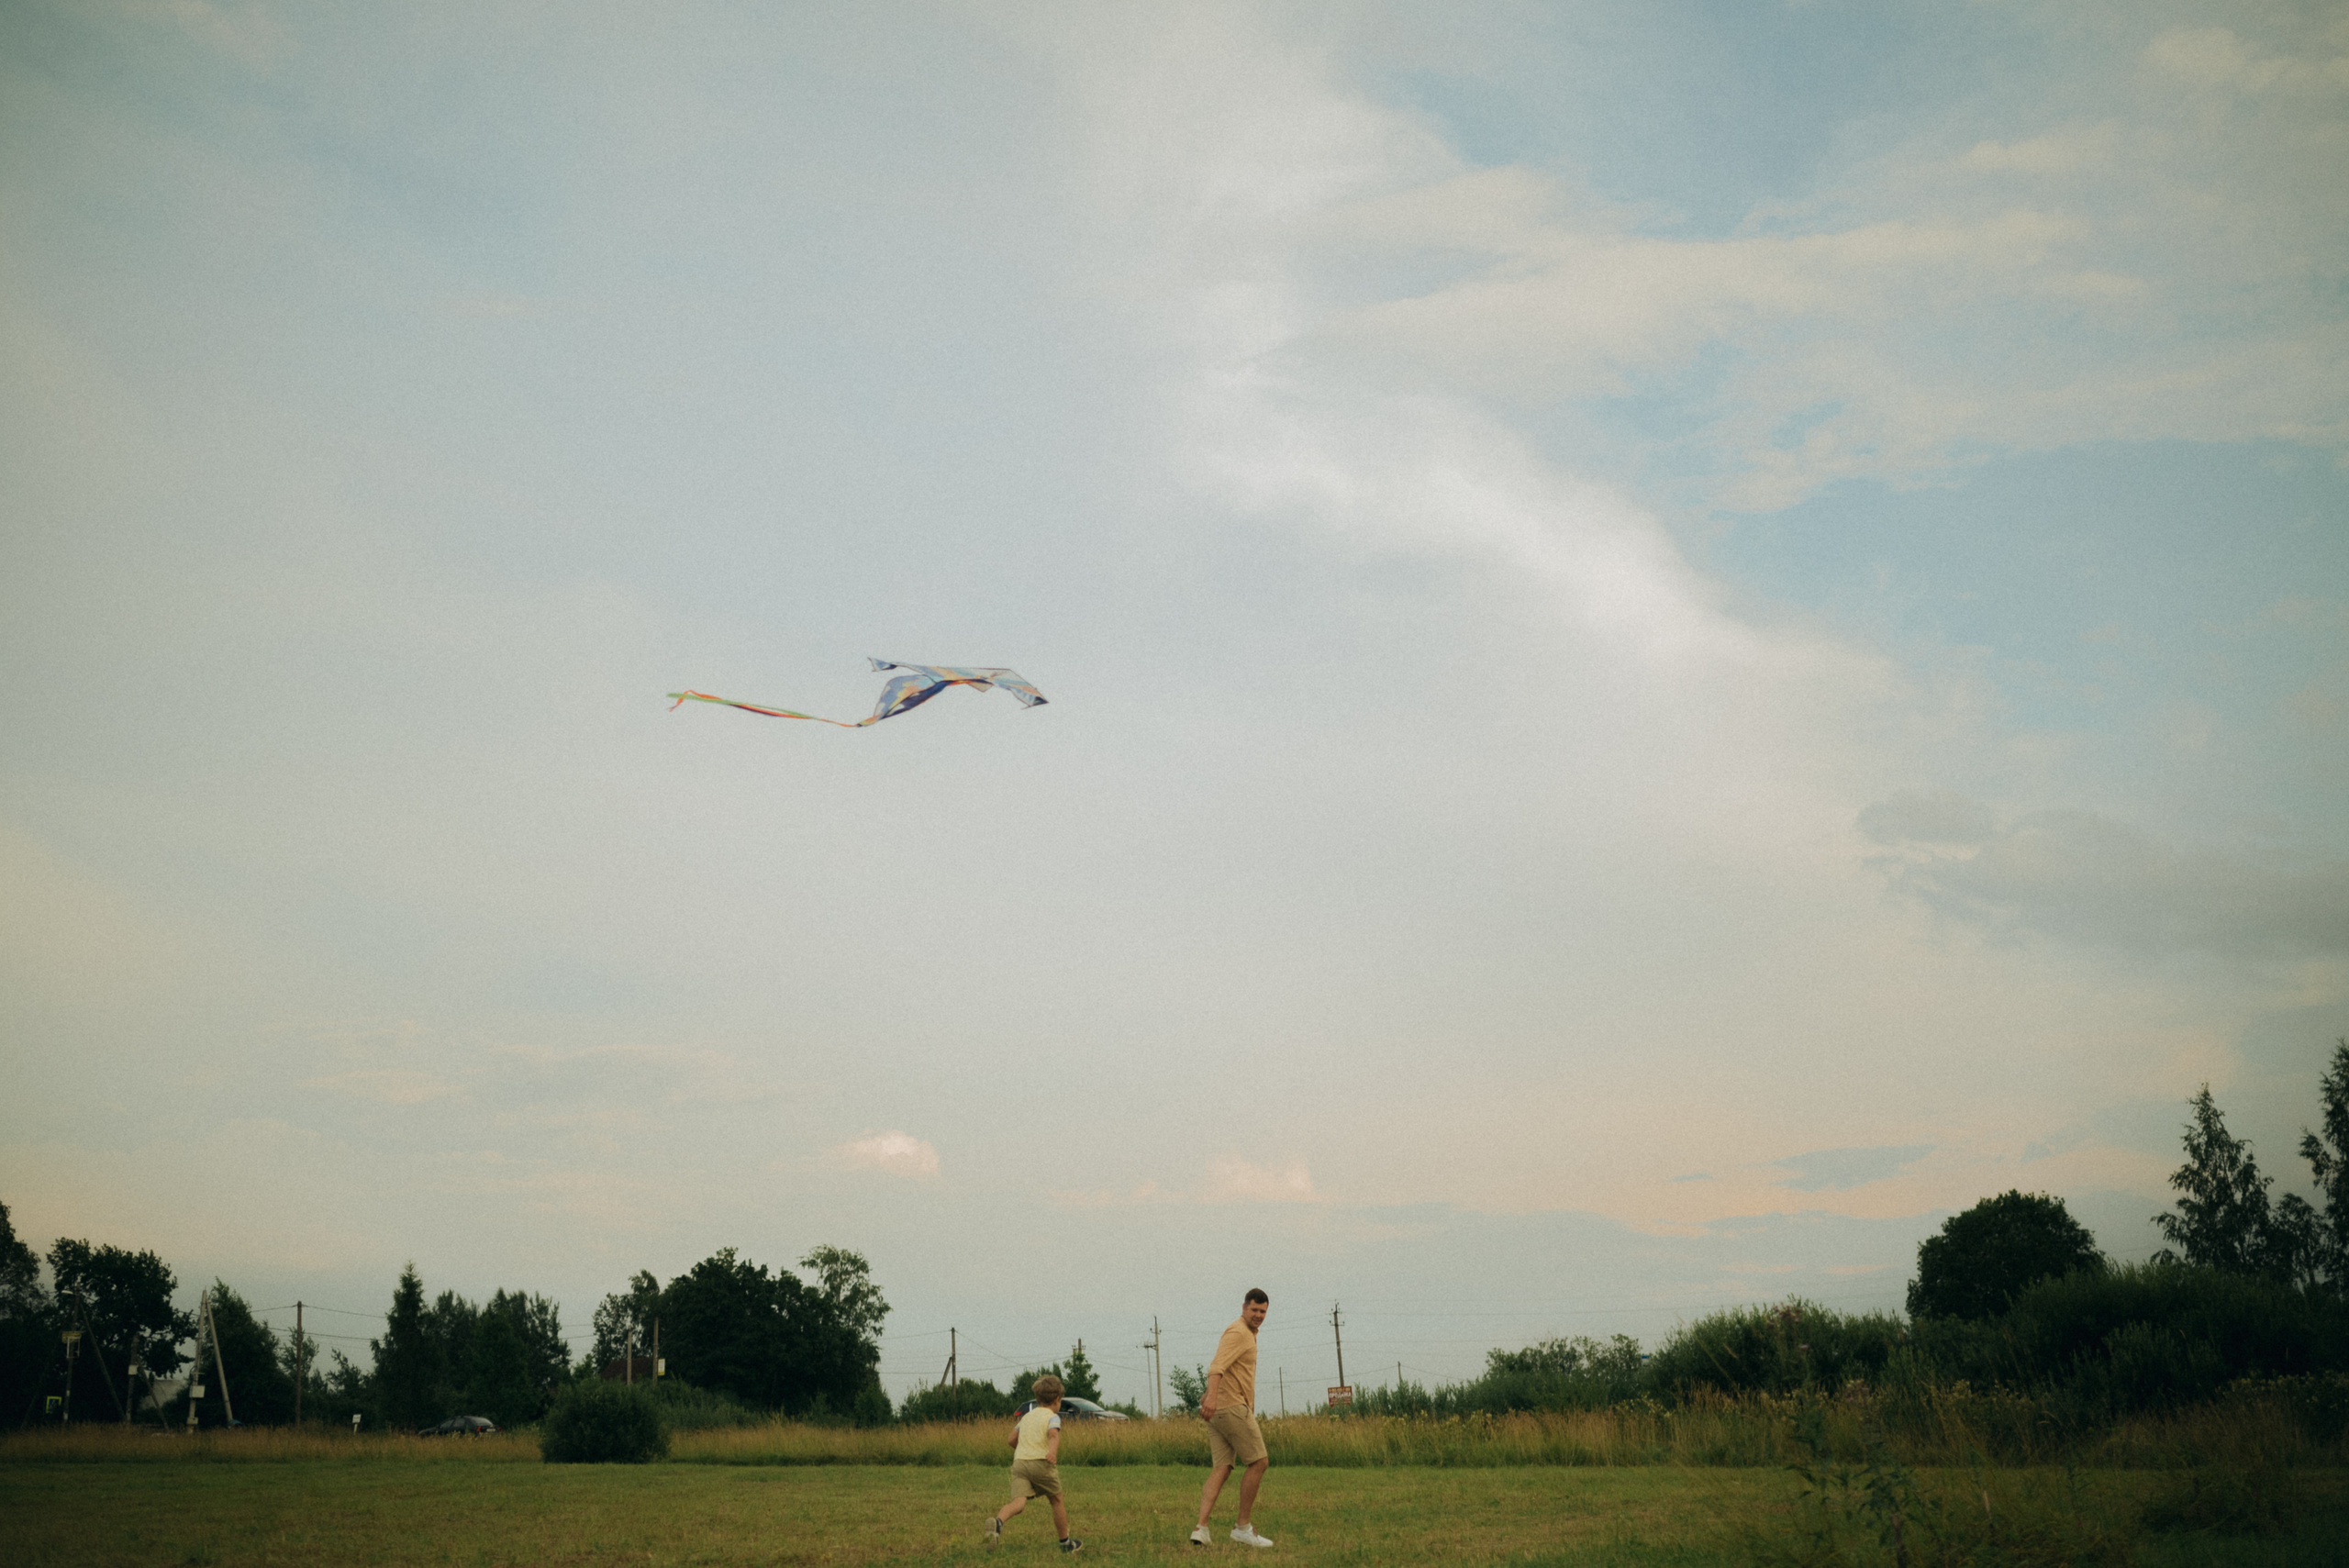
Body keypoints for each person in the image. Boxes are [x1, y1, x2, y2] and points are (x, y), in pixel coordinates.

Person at [1192, 1288, 1273, 1548]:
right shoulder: (1238, 1332)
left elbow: (1231, 1369)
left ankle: (1201, 1529)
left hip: (1220, 1409)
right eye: (1254, 1310)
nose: (1258, 1315)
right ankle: (1242, 1528)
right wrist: (1212, 1398)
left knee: (1223, 1467)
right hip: (1230, 1406)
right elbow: (1217, 1366)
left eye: (1263, 1311)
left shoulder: (1248, 1333)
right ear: (1243, 1308)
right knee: (1259, 1462)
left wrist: (1210, 1397)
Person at [986, 1373, 1082, 1553]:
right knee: (1056, 1500)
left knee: (1018, 1503)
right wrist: (1052, 1452)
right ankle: (1065, 1544)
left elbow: (1011, 1439)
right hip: (1041, 1462)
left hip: (1020, 1463)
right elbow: (1053, 1435)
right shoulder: (1052, 1417)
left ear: (1038, 1398)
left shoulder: (1026, 1417)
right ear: (1057, 1399)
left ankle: (998, 1523)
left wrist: (1024, 1450)